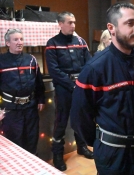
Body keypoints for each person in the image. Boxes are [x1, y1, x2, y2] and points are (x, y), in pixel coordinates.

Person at [70, 2, 134, 175]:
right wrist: (101, 142)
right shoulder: (95, 67)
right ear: (111, 28)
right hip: (114, 155)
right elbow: (79, 116)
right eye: (130, 23)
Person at [45, 11, 93, 171]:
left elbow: (89, 63)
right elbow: (54, 71)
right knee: (61, 121)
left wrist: (82, 83)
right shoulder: (52, 43)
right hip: (64, 88)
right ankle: (57, 154)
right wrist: (73, 85)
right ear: (60, 24)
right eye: (70, 22)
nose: (73, 25)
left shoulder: (80, 41)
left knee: (80, 117)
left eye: (74, 22)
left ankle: (82, 146)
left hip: (80, 86)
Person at [0, 28, 45, 155]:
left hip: (30, 108)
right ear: (8, 43)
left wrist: (41, 99)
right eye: (15, 40)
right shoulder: (1, 61)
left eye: (21, 39)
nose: (19, 42)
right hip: (10, 110)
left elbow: (38, 82)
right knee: (14, 142)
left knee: (31, 139)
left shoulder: (31, 60)